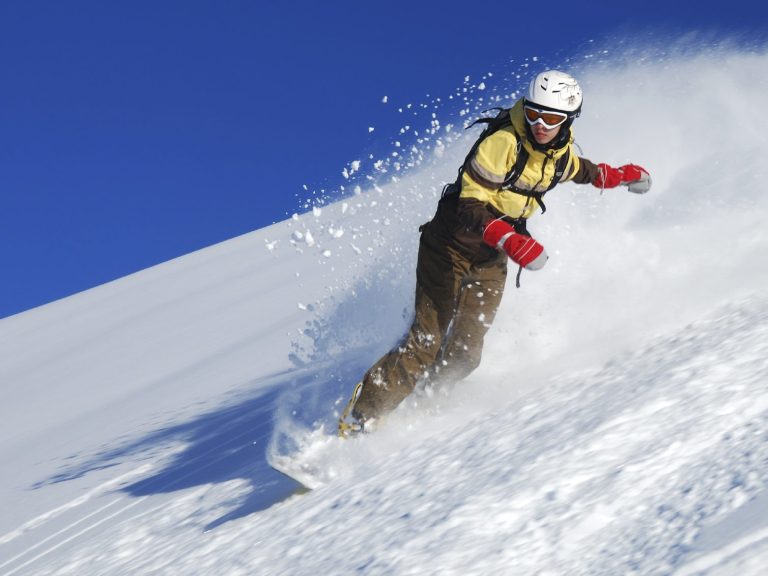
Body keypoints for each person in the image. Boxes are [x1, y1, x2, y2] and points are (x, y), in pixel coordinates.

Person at [338, 70, 651, 436]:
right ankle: (357, 423)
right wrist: (511, 239)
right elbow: (468, 208)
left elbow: (586, 171)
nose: (539, 124)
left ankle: (422, 407)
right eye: (533, 113)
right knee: (425, 344)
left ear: (567, 120)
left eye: (550, 118)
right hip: (448, 248)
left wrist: (623, 176)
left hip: (490, 259)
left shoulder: (558, 157)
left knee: (465, 354)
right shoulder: (502, 144)